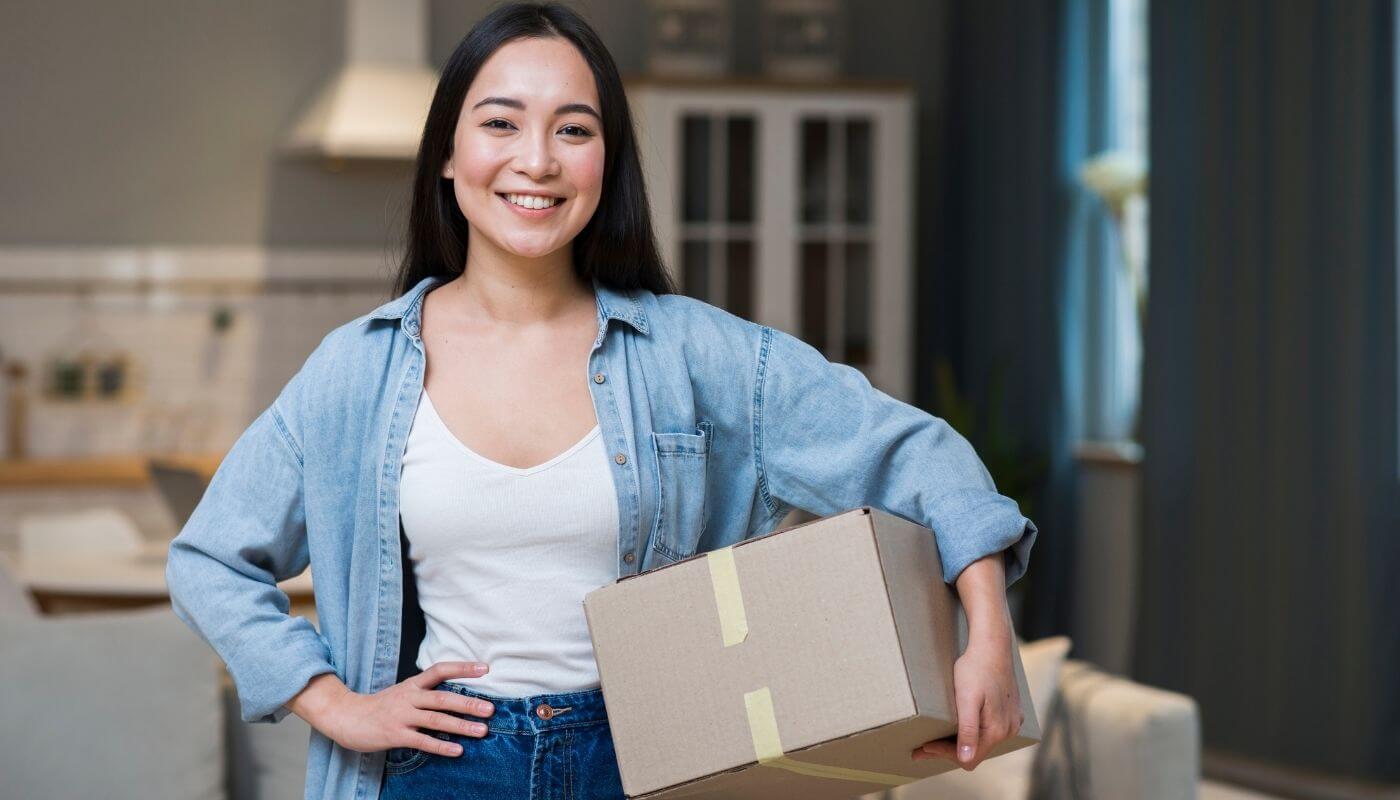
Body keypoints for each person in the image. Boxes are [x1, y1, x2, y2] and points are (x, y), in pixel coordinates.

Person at [165, 3, 1038, 799]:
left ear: (606, 159)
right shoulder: (354, 372)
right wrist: (330, 702)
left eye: (572, 129)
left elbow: (918, 456)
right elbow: (211, 559)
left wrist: (988, 633)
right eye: (500, 122)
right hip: (437, 769)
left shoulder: (694, 352)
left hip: (655, 762)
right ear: (448, 151)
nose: (535, 160)